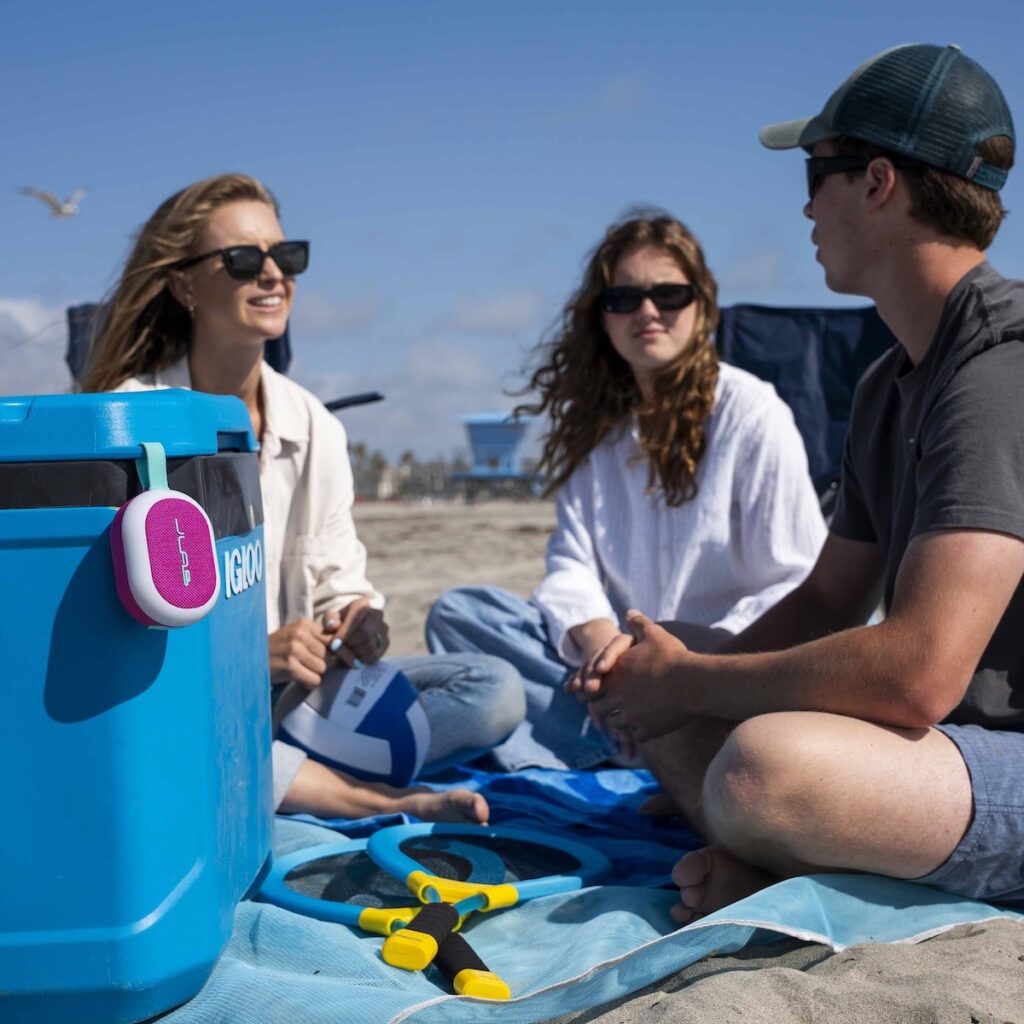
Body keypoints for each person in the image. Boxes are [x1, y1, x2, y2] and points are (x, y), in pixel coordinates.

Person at [572, 43, 1024, 921]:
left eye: (818, 173)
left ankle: (769, 851)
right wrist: (677, 671)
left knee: (764, 767)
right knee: (657, 652)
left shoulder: (999, 369)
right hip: (947, 743)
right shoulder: (890, 381)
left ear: (878, 182)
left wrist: (694, 687)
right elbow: (825, 600)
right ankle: (770, 854)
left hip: (998, 750)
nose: (806, 205)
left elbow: (920, 673)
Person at [81, 173, 525, 823]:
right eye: (243, 259)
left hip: (299, 703)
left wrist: (359, 619)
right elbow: (112, 642)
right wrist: (251, 658)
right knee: (168, 743)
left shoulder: (314, 423)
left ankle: (283, 779)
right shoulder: (134, 422)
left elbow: (342, 579)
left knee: (497, 691)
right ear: (182, 287)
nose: (273, 275)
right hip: (185, 703)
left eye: (286, 256)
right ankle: (369, 797)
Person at [428, 213, 826, 771]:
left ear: (703, 305)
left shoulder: (750, 413)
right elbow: (570, 566)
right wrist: (601, 647)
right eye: (624, 298)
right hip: (612, 674)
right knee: (461, 613)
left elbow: (796, 579)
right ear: (602, 316)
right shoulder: (596, 430)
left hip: (717, 675)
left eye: (669, 294)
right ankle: (630, 743)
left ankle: (630, 744)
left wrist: (680, 669)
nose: (647, 312)